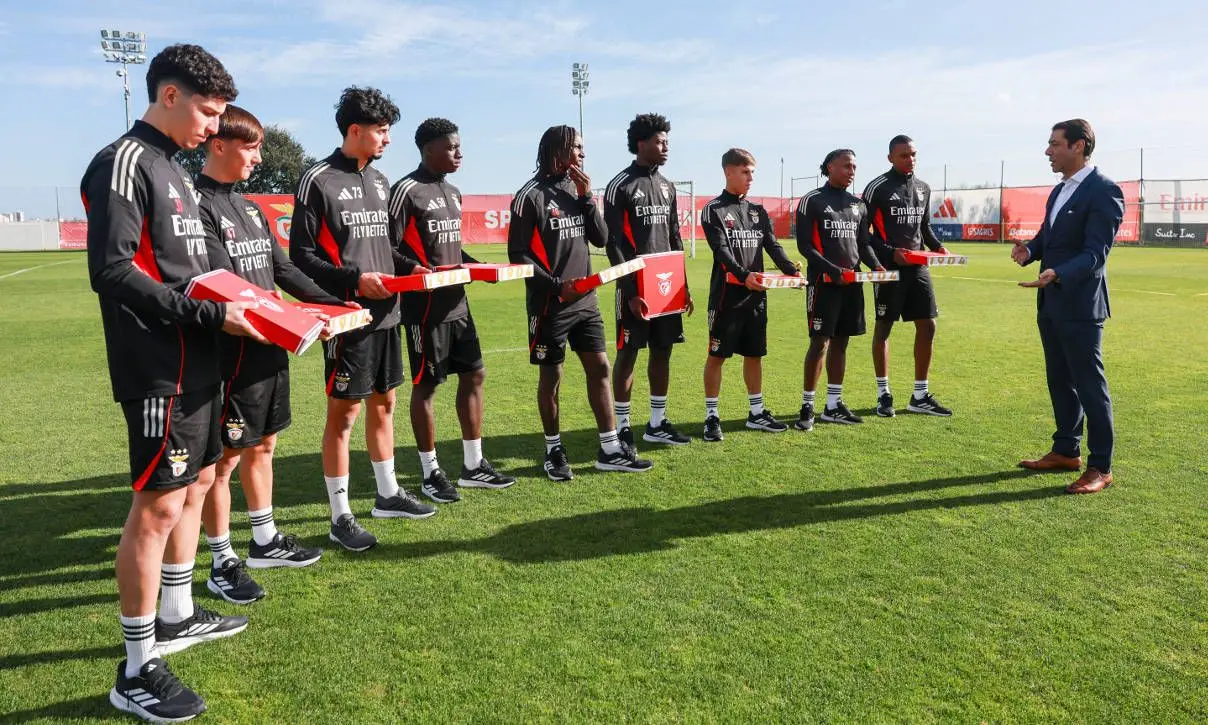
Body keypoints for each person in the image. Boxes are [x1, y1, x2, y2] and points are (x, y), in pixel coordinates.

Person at [82, 43, 253, 723]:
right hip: (158, 364)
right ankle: (135, 665)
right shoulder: (122, 161)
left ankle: (178, 611)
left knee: (201, 484)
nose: (215, 125)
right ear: (170, 95)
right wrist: (211, 313)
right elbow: (113, 271)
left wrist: (276, 312)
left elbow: (208, 267)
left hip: (202, 359)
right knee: (156, 508)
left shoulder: (177, 172)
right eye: (208, 112)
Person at [197, 104, 348, 604]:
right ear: (218, 144)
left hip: (270, 352)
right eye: (251, 147)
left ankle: (264, 540)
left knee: (264, 446)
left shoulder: (252, 209)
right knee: (221, 463)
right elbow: (231, 288)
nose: (259, 158)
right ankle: (222, 559)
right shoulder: (197, 207)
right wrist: (299, 320)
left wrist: (332, 304)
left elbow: (282, 273)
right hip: (230, 353)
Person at [290, 86, 435, 554]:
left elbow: (383, 246)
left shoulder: (379, 181)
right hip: (347, 317)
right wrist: (354, 280)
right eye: (382, 130)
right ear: (355, 130)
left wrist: (409, 265)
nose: (388, 139)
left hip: (388, 312)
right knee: (344, 413)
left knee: (385, 404)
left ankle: (388, 494)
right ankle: (339, 515)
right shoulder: (317, 180)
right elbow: (300, 257)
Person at [508, 125, 654, 479]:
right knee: (552, 377)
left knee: (600, 369)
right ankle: (553, 449)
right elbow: (517, 255)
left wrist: (588, 196)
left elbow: (602, 239)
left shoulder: (577, 190)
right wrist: (557, 287)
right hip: (550, 304)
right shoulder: (529, 196)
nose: (582, 154)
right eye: (577, 148)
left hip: (585, 302)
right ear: (558, 150)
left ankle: (609, 448)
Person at [389, 118, 515, 502]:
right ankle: (430, 473)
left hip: (457, 303)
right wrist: (413, 268)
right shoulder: (405, 191)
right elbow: (387, 248)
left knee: (475, 375)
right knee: (427, 386)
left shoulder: (454, 193)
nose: (459, 153)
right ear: (428, 149)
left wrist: (479, 267)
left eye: (459, 146)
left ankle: (473, 465)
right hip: (423, 309)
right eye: (451, 147)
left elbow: (452, 251)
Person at [1012, 119, 1123, 494]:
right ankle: (1065, 451)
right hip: (1051, 300)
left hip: (1080, 304)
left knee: (1090, 384)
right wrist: (1030, 250)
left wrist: (1058, 273)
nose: (1048, 151)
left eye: (1055, 144)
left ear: (1078, 146)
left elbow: (1096, 254)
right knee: (1059, 379)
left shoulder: (1104, 191)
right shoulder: (1059, 190)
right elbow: (1049, 236)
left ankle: (1101, 466)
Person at [604, 113, 694, 449]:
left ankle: (657, 422)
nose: (665, 146)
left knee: (663, 351)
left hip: (666, 287)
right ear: (641, 144)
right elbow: (613, 243)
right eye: (659, 141)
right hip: (634, 287)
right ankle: (623, 426)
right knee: (629, 353)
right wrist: (629, 291)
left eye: (667, 141)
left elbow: (674, 237)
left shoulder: (668, 186)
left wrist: (682, 286)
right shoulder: (620, 186)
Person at [700, 148, 801, 442]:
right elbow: (721, 252)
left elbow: (772, 246)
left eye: (753, 173)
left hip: (756, 296)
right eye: (745, 172)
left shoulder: (758, 212)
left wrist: (790, 271)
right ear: (728, 172)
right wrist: (744, 277)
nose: (750, 178)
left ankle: (756, 414)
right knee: (717, 356)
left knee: (755, 354)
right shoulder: (714, 209)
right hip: (727, 297)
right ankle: (711, 417)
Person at [793, 149, 886, 430]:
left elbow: (864, 245)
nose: (852, 171)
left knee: (842, 341)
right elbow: (805, 246)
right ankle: (807, 406)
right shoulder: (812, 201)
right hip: (825, 284)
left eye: (854, 166)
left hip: (852, 284)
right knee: (820, 342)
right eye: (846, 166)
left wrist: (876, 266)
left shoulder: (858, 205)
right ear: (830, 167)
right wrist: (834, 271)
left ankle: (833, 405)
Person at [861, 135, 953, 418]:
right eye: (903, 155)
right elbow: (863, 235)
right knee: (884, 329)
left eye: (913, 154)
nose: (909, 159)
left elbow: (924, 228)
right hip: (889, 269)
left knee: (928, 326)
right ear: (890, 157)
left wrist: (938, 247)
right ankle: (883, 394)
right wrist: (890, 253)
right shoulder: (877, 188)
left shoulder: (923, 188)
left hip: (918, 267)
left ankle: (920, 395)